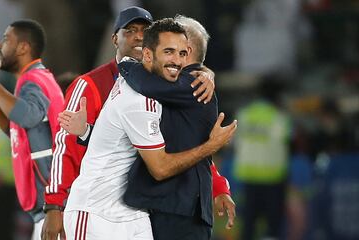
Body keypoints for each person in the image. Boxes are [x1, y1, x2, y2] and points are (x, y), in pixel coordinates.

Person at [42, 6, 233, 240]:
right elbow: (65, 146)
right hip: (98, 210)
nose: (139, 37)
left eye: (144, 31)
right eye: (130, 31)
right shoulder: (107, 86)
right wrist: (53, 205)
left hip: (138, 212)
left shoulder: (163, 89)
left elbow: (178, 142)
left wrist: (218, 185)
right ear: (116, 39)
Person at [115, 15, 235, 240]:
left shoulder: (190, 86)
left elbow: (142, 80)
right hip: (177, 209)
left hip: (179, 212)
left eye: (171, 48)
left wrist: (126, 62)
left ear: (186, 51)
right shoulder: (190, 83)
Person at [0, 19, 64, 240]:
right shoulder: (33, 79)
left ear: (23, 47)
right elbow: (18, 130)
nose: (1, 45)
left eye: (6, 39)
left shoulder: (33, 80)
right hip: (45, 208)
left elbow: (28, 116)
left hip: (52, 208)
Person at [232, 75, 291, 240]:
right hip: (273, 178)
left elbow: (235, 143)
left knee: (248, 224)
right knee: (272, 227)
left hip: (248, 177)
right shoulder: (279, 117)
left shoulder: (243, 114)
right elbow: (287, 141)